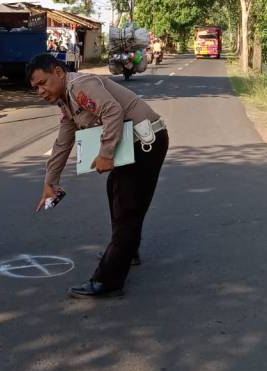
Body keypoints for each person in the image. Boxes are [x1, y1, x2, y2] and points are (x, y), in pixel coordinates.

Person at [28, 53, 169, 298]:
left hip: (146, 143)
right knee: (116, 192)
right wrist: (50, 183)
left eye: (43, 83)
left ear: (59, 73)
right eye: (35, 87)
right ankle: (127, 250)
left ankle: (108, 281)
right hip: (130, 145)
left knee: (127, 206)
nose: (40, 91)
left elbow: (112, 111)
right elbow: (63, 143)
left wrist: (105, 153)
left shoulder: (80, 86)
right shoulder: (67, 101)